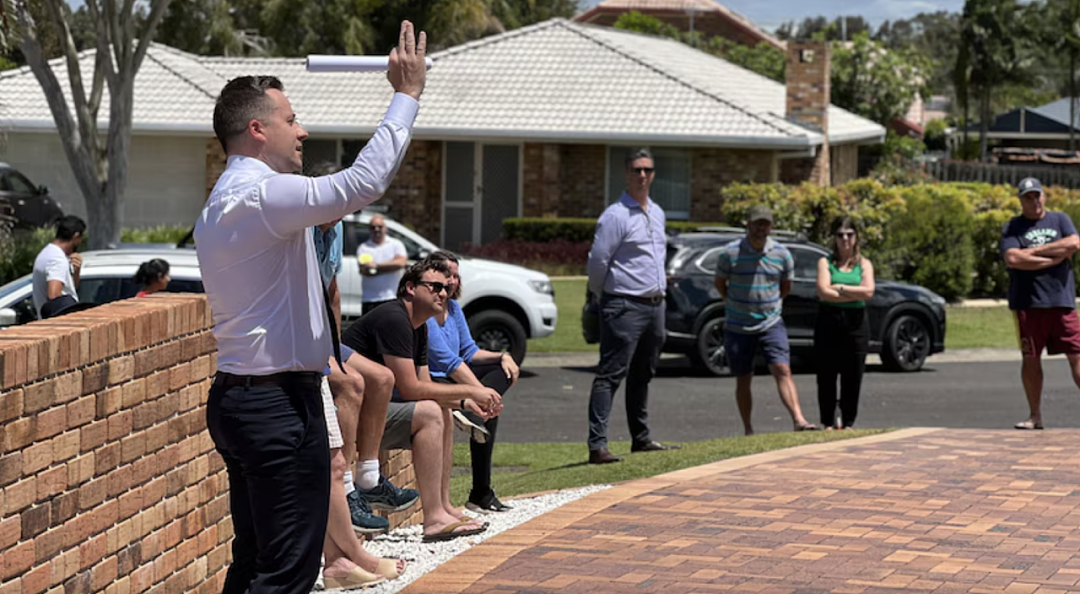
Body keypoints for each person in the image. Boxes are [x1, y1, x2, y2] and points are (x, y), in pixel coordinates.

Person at [193, 22, 426, 594]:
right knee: (286, 572)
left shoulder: (230, 199)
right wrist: (407, 94)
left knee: (256, 562)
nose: (303, 130)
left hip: (246, 397)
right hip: (273, 405)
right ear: (256, 129)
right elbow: (361, 182)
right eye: (291, 120)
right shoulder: (261, 195)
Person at [342, 256, 504, 542]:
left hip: (373, 413)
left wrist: (466, 405)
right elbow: (410, 389)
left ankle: (442, 508)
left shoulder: (421, 326)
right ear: (410, 288)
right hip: (351, 416)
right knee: (430, 412)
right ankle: (434, 518)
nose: (443, 293)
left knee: (440, 411)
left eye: (446, 288)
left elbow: (425, 386)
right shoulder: (394, 318)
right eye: (434, 287)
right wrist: (469, 390)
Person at [311, 216, 408, 584]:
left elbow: (331, 291)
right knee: (334, 462)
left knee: (381, 377)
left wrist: (333, 349)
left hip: (322, 341)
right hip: (298, 350)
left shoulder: (332, 235)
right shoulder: (299, 228)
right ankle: (352, 549)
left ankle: (368, 475)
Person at [585, 147, 679, 465]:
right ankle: (597, 445)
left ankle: (641, 439)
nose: (642, 175)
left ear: (654, 174)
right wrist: (600, 295)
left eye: (648, 170)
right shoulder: (616, 215)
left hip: (655, 305)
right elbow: (598, 261)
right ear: (626, 173)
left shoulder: (657, 212)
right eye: (637, 170)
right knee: (610, 375)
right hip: (623, 305)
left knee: (643, 374)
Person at [425, 251, 520, 513]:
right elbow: (446, 361)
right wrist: (480, 393)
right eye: (447, 275)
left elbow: (469, 351)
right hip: (434, 381)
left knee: (503, 372)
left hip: (455, 377)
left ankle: (481, 492)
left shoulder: (454, 308)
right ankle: (480, 491)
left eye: (456, 275)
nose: (452, 281)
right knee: (488, 401)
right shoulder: (427, 311)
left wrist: (504, 355)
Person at [715, 205, 816, 435]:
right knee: (743, 378)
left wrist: (770, 304)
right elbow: (720, 283)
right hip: (738, 324)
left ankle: (799, 420)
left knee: (782, 368)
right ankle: (748, 429)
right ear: (748, 225)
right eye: (757, 223)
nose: (761, 228)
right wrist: (733, 303)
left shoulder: (782, 254)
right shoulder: (730, 253)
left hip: (771, 322)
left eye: (766, 224)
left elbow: (785, 287)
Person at [1001, 177, 1080, 430]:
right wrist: (1051, 258)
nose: (1034, 201)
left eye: (1037, 195)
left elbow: (1074, 243)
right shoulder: (1013, 226)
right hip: (1028, 303)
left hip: (1061, 301)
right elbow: (1013, 257)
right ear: (1021, 200)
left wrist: (1032, 252)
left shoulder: (1060, 220)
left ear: (1043, 196)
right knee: (1031, 358)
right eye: (1028, 197)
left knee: (1077, 356)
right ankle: (1035, 416)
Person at [814, 216, 875, 430]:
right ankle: (828, 422)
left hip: (856, 323)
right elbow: (823, 292)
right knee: (827, 374)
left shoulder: (864, 264)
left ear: (856, 237)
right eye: (840, 235)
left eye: (849, 234)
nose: (845, 239)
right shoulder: (825, 262)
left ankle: (849, 422)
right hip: (829, 321)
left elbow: (868, 291)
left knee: (853, 374)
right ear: (834, 238)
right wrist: (852, 293)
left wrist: (839, 287)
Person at [32, 215, 85, 319]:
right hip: (58, 325)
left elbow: (68, 288)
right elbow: (54, 295)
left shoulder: (48, 252)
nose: (80, 242)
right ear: (76, 236)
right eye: (80, 239)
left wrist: (76, 272)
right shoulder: (57, 259)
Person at [358, 214, 408, 315]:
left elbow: (401, 263)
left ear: (385, 228)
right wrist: (391, 266)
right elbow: (366, 271)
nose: (376, 229)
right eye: (373, 227)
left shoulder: (395, 244)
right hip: (370, 299)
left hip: (391, 297)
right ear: (369, 230)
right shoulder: (364, 248)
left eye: (380, 226)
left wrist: (377, 266)